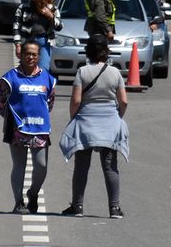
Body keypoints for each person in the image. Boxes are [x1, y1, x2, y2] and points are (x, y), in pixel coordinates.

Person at [60, 34, 128, 220]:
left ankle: (78, 206)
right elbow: (123, 101)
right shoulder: (115, 73)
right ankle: (114, 208)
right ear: (106, 52)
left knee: (81, 167)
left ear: (88, 52)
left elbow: (76, 101)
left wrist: (75, 118)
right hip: (109, 122)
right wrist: (117, 117)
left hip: (86, 121)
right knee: (110, 166)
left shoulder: (82, 72)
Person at [0, 41, 56, 215]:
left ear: (39, 57)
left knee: (41, 166)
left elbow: (49, 103)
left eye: (34, 54)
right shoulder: (9, 78)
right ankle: (19, 202)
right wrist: (12, 119)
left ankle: (33, 193)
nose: (30, 57)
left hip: (40, 129)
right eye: (27, 54)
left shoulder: (48, 78)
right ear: (21, 55)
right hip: (17, 130)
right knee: (19, 166)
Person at [12, 0, 63, 72]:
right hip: (27, 41)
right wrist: (18, 45)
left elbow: (59, 26)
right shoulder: (23, 8)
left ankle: (42, 85)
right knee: (27, 69)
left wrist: (50, 16)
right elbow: (16, 27)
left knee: (43, 69)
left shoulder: (52, 9)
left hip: (44, 42)